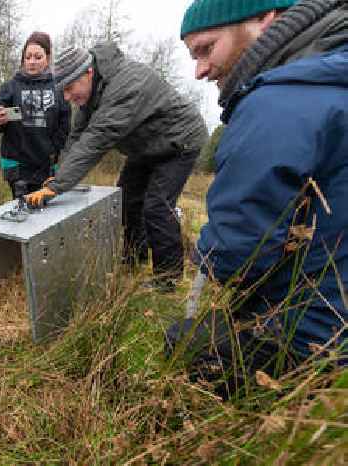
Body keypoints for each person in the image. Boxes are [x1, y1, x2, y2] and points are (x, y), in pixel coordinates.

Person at [167, 0, 347, 399]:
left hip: (322, 343)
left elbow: (234, 255)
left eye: (206, 48)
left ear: (265, 20)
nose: (199, 70)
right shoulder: (332, 80)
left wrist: (205, 256)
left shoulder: (278, 102)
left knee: (186, 343)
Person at [25, 42, 208, 291]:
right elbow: (77, 138)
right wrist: (56, 177)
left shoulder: (125, 85)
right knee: (126, 199)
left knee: (156, 206)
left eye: (69, 89)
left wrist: (59, 187)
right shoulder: (91, 95)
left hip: (179, 141)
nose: (68, 97)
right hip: (145, 146)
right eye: (63, 92)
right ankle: (134, 258)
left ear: (88, 72)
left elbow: (95, 140)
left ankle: (168, 278)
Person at [0, 31, 71, 199]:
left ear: (47, 58)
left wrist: (53, 149)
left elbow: (65, 124)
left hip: (47, 166)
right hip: (17, 167)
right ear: (23, 59)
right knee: (21, 214)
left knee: (45, 215)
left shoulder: (59, 88)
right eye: (28, 57)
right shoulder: (10, 87)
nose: (32, 62)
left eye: (38, 57)